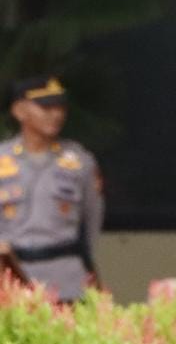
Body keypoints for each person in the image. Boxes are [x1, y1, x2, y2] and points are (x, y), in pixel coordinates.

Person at [0, 75, 104, 302]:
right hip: (10, 278)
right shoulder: (2, 159)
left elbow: (91, 222)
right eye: (45, 107)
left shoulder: (79, 161)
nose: (56, 114)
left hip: (65, 278)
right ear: (19, 111)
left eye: (60, 107)